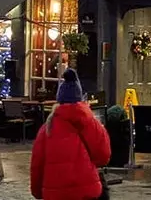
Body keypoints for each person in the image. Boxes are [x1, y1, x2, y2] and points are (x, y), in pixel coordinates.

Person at [31, 70, 110, 200]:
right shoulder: (91, 123)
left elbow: (37, 165)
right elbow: (103, 156)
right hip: (87, 191)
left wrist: (38, 192)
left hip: (55, 194)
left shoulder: (46, 129)